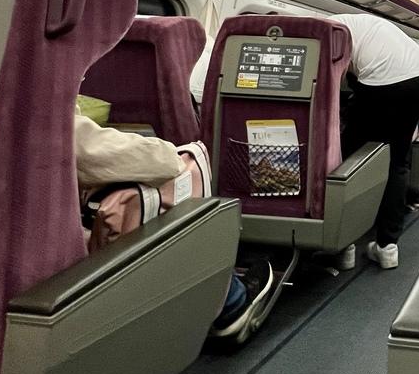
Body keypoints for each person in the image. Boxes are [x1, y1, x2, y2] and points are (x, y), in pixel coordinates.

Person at [72, 109, 271, 336]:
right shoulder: (52, 117)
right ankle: (232, 299)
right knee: (176, 179)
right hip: (76, 275)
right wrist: (170, 153)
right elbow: (85, 145)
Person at [330, 13, 419, 270]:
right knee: (397, 161)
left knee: (351, 158)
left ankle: (344, 246)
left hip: (383, 80)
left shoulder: (321, 29)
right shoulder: (354, 22)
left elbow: (331, 81)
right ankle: (387, 247)